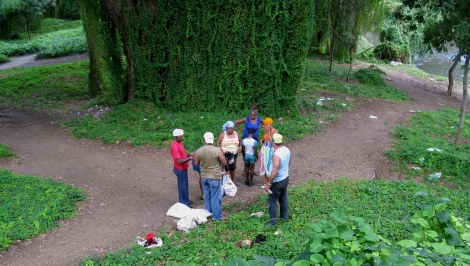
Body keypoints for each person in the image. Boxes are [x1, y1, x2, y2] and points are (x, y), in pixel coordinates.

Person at [192, 132, 228, 221]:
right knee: (215, 197)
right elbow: (224, 162)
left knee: (207, 196)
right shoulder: (217, 150)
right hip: (215, 176)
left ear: (204, 140)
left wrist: (194, 158)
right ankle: (216, 216)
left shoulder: (199, 151)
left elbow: (196, 163)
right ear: (212, 140)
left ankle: (207, 213)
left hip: (204, 176)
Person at [263, 133, 290, 226]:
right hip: (285, 178)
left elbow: (275, 171)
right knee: (283, 199)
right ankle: (284, 217)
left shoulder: (277, 155)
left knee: (272, 202)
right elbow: (288, 162)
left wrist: (268, 184)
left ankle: (273, 222)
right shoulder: (286, 149)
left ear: (273, 142)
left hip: (277, 181)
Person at [235, 106, 263, 176]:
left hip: (254, 140)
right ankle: (245, 170)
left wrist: (260, 127)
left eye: (253, 115)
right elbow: (236, 123)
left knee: (253, 154)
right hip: (246, 139)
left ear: (256, 115)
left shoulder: (259, 120)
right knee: (245, 154)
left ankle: (252, 170)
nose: (252, 116)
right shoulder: (247, 119)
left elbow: (267, 123)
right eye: (251, 115)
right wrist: (242, 130)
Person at [170, 128, 192, 206]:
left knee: (184, 185)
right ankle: (184, 203)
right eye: (181, 136)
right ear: (176, 137)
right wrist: (189, 158)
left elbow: (183, 152)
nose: (183, 137)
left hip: (183, 168)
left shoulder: (179, 143)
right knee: (182, 186)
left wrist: (189, 154)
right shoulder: (174, 146)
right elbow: (179, 161)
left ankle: (185, 200)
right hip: (180, 169)